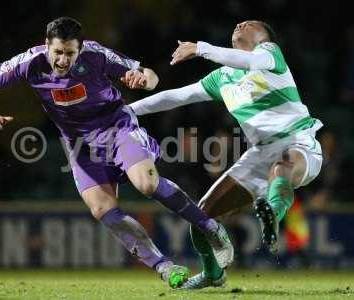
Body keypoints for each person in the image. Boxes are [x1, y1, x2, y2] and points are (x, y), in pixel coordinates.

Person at [0, 16, 230, 288]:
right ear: (46, 45)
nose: (62, 60)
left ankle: (211, 229)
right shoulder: (29, 62)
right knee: (101, 208)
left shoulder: (95, 55)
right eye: (57, 52)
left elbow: (151, 75)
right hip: (79, 144)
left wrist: (143, 80)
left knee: (146, 183)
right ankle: (165, 267)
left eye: (70, 53)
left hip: (117, 127)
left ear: (80, 49)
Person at [130, 20, 323, 289]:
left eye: (250, 23)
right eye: (239, 23)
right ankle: (213, 274)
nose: (240, 23)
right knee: (203, 216)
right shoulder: (222, 78)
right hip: (259, 153)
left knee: (284, 166)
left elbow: (246, 60)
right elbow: (175, 97)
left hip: (298, 140)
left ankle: (273, 216)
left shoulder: (270, 54)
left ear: (264, 37)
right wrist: (126, 112)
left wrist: (200, 49)